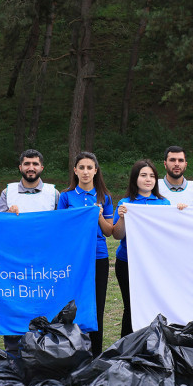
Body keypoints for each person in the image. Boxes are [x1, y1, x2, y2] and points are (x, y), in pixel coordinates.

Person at [0, 149, 59, 356]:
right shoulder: (7, 192)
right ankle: (14, 354)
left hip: (45, 262)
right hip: (15, 262)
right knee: (14, 306)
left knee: (43, 305)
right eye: (26, 164)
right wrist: (7, 214)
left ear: (42, 167)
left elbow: (64, 226)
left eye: (35, 164)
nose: (30, 167)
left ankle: (44, 352)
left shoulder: (54, 193)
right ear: (20, 167)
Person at [59, 152, 116, 354]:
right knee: (73, 306)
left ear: (95, 171)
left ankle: (96, 354)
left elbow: (110, 231)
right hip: (74, 259)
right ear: (75, 170)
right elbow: (61, 228)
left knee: (97, 306)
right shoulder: (66, 197)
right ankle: (73, 352)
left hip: (98, 257)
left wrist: (98, 215)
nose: (85, 172)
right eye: (81, 167)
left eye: (89, 168)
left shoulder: (104, 197)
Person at [112, 160, 176, 338]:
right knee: (131, 307)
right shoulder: (125, 203)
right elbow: (117, 235)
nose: (148, 179)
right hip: (127, 263)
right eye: (143, 175)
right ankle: (126, 349)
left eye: (152, 176)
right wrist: (123, 218)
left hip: (155, 265)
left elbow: (170, 233)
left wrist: (180, 211)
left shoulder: (164, 204)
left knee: (155, 306)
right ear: (135, 179)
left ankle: (154, 345)